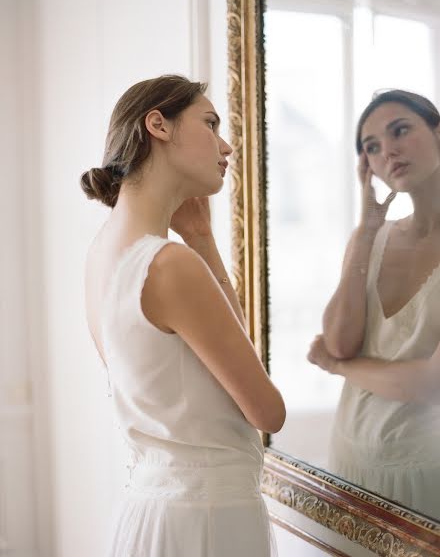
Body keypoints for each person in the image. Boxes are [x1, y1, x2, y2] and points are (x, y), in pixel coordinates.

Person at [80, 74, 285, 556]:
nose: (227, 145)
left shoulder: (103, 252)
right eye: (210, 124)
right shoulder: (167, 265)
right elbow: (267, 412)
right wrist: (195, 250)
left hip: (150, 512)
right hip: (204, 526)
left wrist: (202, 239)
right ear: (159, 125)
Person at [307, 89, 440, 519]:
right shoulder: (372, 239)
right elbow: (341, 340)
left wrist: (338, 368)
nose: (390, 151)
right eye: (372, 147)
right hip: (352, 458)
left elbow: (430, 384)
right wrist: (366, 230)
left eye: (401, 130)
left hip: (429, 470)